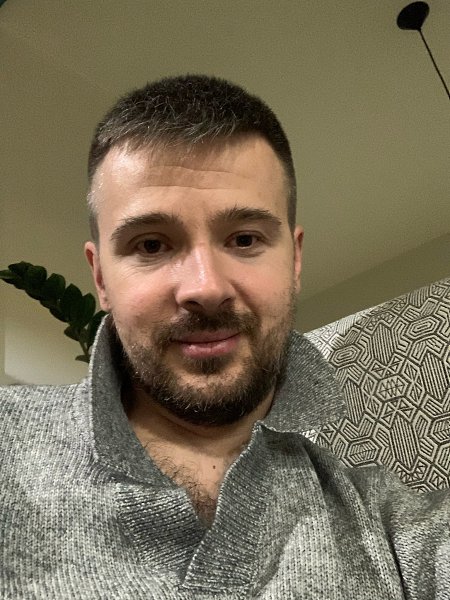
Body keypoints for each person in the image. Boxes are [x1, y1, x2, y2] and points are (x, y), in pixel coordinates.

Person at [1, 74, 449, 599]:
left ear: (295, 261)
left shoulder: (390, 526)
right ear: (100, 278)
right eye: (151, 245)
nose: (206, 288)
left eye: (244, 239)